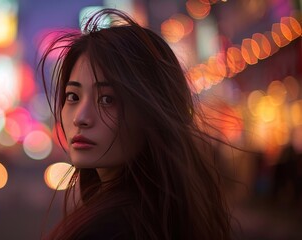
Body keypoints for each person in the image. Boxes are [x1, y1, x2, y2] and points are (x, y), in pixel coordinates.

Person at [39, 8, 233, 240]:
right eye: (73, 97)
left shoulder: (110, 230)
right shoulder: (171, 212)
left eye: (107, 100)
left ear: (151, 111)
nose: (80, 118)